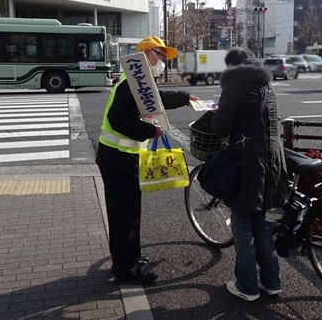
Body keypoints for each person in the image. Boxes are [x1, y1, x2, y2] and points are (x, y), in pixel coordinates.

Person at [95, 36, 198, 285]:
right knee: (126, 216)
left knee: (124, 214)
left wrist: (185, 97)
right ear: (144, 55)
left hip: (119, 157)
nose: (163, 62)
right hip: (119, 158)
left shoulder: (136, 82)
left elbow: (157, 101)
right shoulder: (131, 84)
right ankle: (127, 269)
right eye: (160, 56)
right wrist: (150, 132)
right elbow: (119, 119)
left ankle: (126, 258)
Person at [211, 48, 288, 301]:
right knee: (260, 222)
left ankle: (246, 286)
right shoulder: (269, 89)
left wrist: (217, 113)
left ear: (234, 66)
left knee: (242, 223)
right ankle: (272, 282)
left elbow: (222, 127)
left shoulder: (234, 87)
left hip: (248, 163)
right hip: (273, 160)